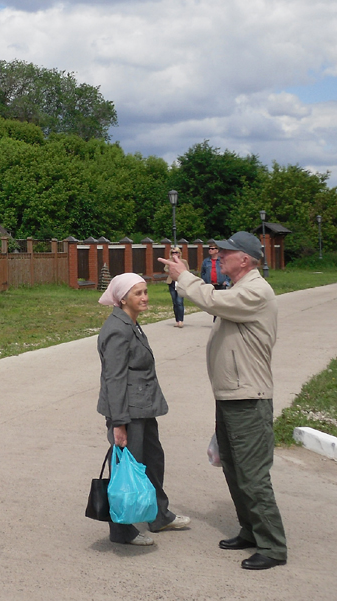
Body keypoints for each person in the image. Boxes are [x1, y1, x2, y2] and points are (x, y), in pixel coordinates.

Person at [159, 233, 287, 571]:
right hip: (232, 395)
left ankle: (272, 546)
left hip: (248, 397)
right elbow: (217, 299)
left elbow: (212, 301)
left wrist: (184, 276)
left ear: (244, 259)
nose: (220, 257)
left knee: (252, 473)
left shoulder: (256, 291)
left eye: (227, 253)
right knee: (233, 466)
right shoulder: (239, 289)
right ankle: (250, 530)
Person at [96, 272, 190, 547]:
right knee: (127, 470)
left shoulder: (130, 323)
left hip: (143, 407)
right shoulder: (117, 328)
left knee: (153, 461)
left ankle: (159, 515)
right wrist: (119, 423)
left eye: (146, 291)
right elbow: (114, 378)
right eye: (138, 293)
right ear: (123, 298)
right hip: (128, 412)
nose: (145, 297)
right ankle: (121, 531)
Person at [168, 247, 185, 327]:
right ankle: (177, 320)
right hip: (172, 282)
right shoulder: (169, 262)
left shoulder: (183, 262)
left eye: (176, 252)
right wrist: (171, 263)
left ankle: (181, 320)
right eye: (173, 253)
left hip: (180, 283)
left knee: (179, 302)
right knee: (175, 302)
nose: (174, 254)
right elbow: (165, 269)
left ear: (179, 253)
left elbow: (187, 271)